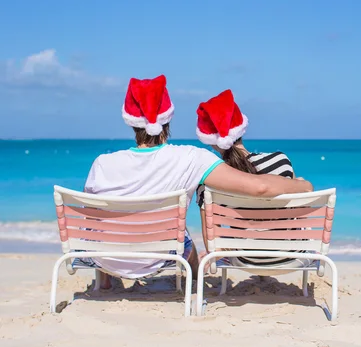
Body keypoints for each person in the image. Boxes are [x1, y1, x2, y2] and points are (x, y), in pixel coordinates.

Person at [82, 75, 312, 289]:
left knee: (105, 224)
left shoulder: (101, 163)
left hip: (107, 257)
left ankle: (104, 285)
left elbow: (92, 215)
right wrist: (303, 185)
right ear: (168, 118)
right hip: (159, 257)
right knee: (184, 238)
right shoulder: (191, 158)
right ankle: (192, 286)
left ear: (130, 120)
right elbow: (260, 187)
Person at [195, 89, 304, 267]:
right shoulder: (281, 161)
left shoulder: (211, 181)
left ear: (209, 140)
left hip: (245, 259)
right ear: (241, 127)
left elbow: (212, 245)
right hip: (289, 255)